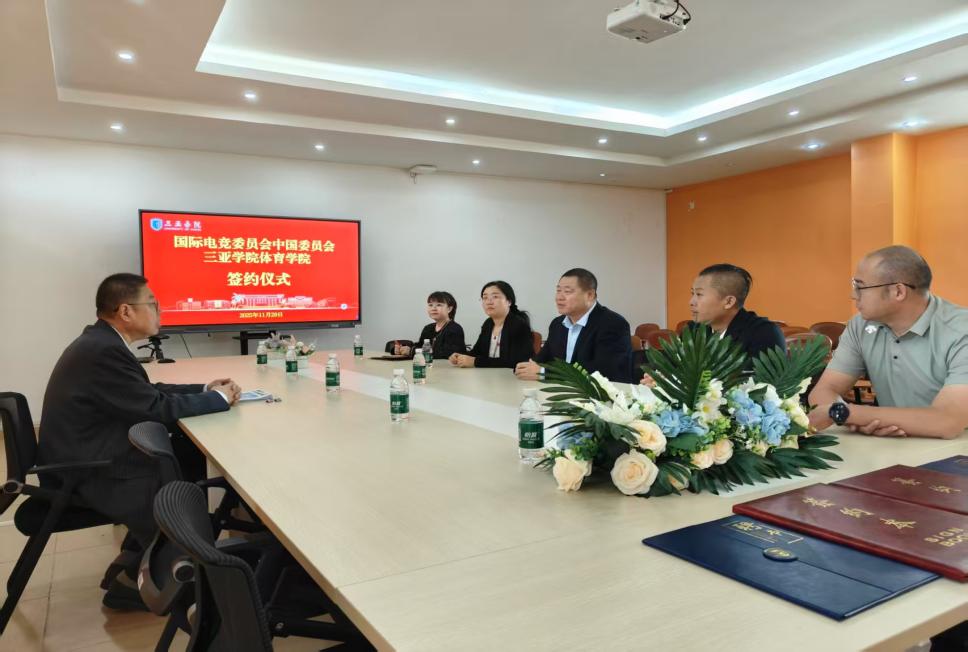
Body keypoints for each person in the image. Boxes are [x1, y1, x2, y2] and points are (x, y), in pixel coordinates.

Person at [38, 273, 241, 608]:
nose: (159, 311)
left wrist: (205, 390)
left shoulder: (101, 343)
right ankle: (172, 577)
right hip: (89, 470)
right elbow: (154, 408)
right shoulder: (103, 351)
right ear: (126, 311)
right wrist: (218, 399)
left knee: (185, 452)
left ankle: (137, 566)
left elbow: (146, 393)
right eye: (153, 304)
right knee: (181, 458)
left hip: (88, 453)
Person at [808, 245, 968, 439]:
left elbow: (947, 421)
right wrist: (862, 421)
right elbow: (823, 391)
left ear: (898, 291)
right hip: (893, 444)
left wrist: (852, 415)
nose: (853, 295)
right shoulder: (861, 326)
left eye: (860, 287)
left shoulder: (961, 330)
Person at [515, 268, 633, 382]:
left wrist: (545, 373)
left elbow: (603, 372)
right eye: (558, 291)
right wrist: (526, 368)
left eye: (567, 292)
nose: (559, 297)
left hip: (597, 394)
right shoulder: (557, 324)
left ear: (590, 295)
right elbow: (542, 360)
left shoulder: (613, 324)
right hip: (559, 392)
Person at [450, 281, 533, 369]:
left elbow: (515, 361)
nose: (489, 302)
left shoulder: (519, 325)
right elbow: (476, 352)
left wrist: (475, 362)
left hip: (511, 376)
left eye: (495, 297)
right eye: (485, 298)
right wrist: (460, 356)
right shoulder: (488, 324)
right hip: (488, 374)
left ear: (509, 301)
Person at [389, 291, 466, 359]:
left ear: (449, 309)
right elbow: (419, 346)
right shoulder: (428, 328)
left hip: (446, 369)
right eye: (430, 305)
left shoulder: (455, 329)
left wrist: (412, 351)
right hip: (428, 367)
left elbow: (447, 354)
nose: (433, 308)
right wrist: (401, 349)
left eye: (439, 305)